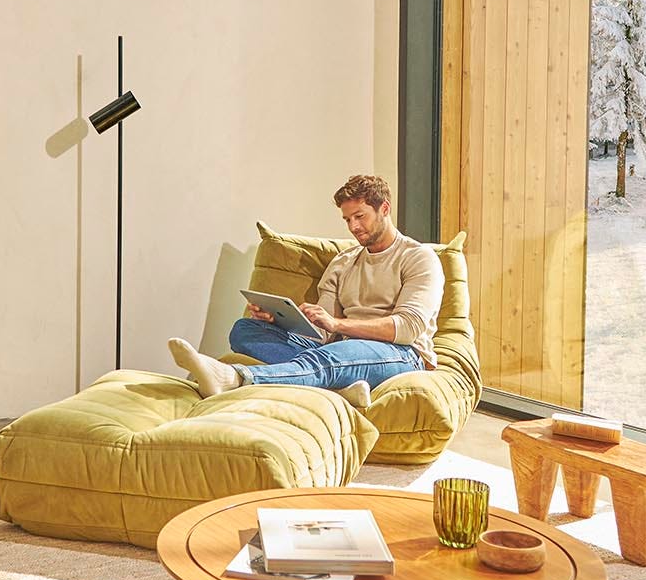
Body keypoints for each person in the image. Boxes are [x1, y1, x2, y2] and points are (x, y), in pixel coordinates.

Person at [169, 174, 443, 409]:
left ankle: (235, 378)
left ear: (384, 209)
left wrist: (338, 324)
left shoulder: (419, 258)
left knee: (334, 356)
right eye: (347, 219)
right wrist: (280, 319)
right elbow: (323, 333)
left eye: (360, 216)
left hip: (401, 353)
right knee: (245, 330)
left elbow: (408, 328)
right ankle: (338, 388)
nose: (354, 227)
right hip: (340, 347)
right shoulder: (344, 262)